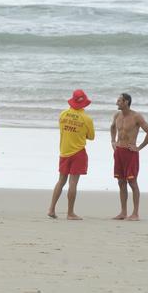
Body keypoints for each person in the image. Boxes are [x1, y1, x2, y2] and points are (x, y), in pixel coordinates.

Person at [48, 89, 95, 220]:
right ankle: (70, 213)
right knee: (73, 183)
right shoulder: (87, 119)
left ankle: (51, 209)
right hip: (78, 152)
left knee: (61, 181)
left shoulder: (63, 114)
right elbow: (91, 137)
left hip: (64, 151)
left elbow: (63, 129)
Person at [110, 93, 148, 221]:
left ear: (126, 102)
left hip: (131, 153)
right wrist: (113, 141)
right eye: (117, 100)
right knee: (121, 182)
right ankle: (123, 212)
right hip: (119, 151)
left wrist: (139, 147)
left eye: (119, 100)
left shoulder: (136, 116)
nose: (117, 102)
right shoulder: (117, 115)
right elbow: (112, 127)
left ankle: (135, 213)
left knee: (132, 182)